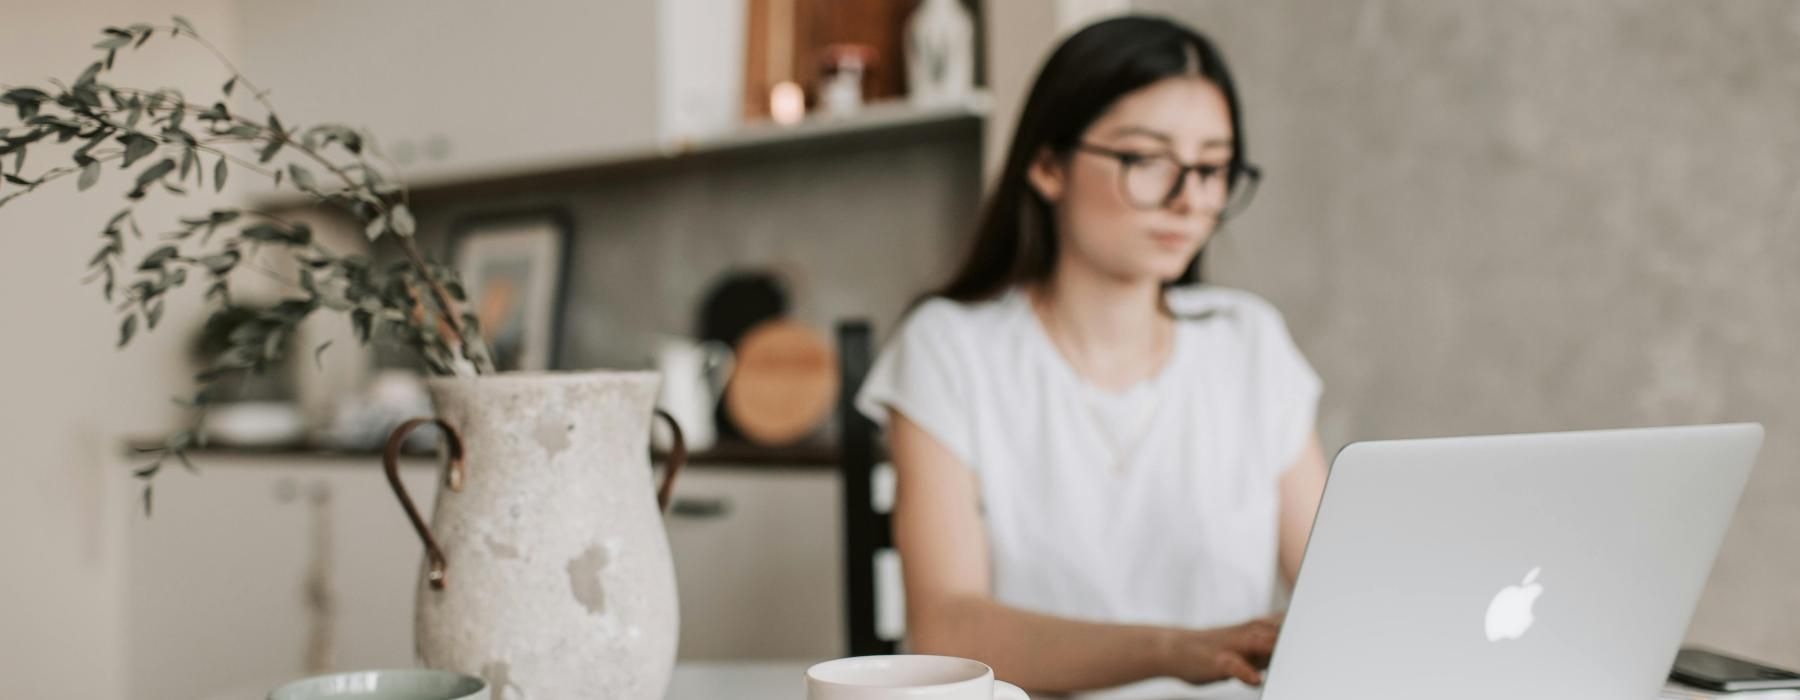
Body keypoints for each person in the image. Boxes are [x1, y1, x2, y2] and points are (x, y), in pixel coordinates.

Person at [854, 15, 1328, 696]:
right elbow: (947, 629)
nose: (1190, 198)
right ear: (1048, 166)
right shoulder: (949, 349)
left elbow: (1334, 585)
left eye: (1214, 167)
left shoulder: (1248, 343)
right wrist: (1175, 649)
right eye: (1147, 160)